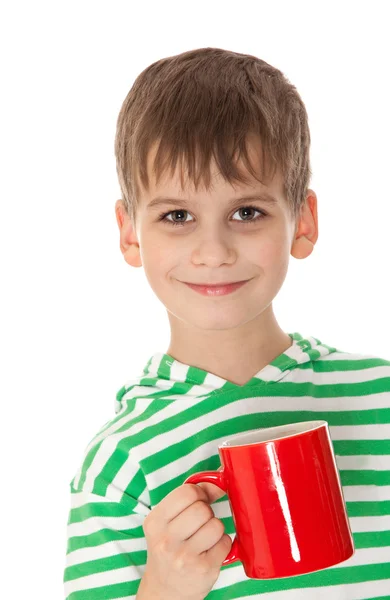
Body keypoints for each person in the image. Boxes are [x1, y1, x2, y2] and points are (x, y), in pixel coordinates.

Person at [63, 47, 390, 599]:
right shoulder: (121, 463)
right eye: (177, 216)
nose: (212, 251)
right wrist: (165, 587)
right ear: (130, 234)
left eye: (246, 213)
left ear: (303, 222)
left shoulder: (379, 398)